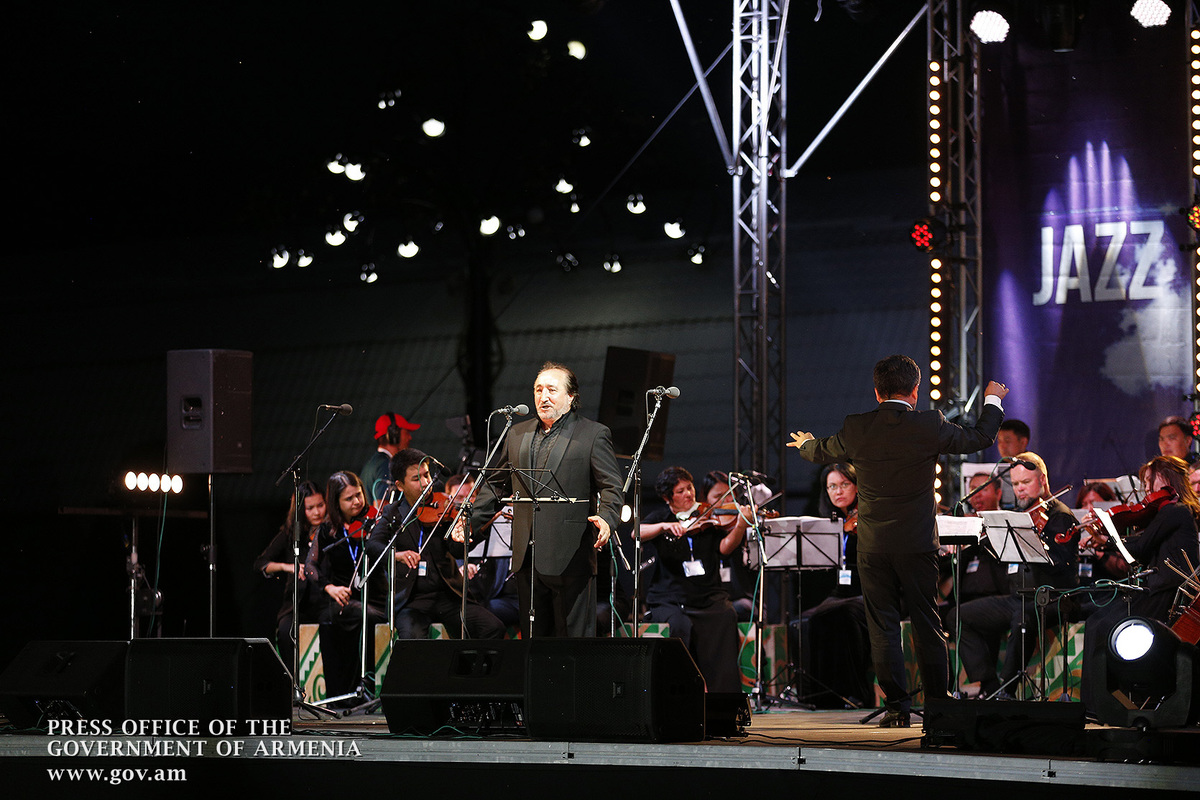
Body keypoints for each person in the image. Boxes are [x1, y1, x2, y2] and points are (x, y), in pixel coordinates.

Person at [787, 354, 1007, 727]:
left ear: (877, 392)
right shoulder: (929, 424)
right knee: (926, 623)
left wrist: (806, 444)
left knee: (882, 626)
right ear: (915, 390)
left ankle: (896, 708)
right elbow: (979, 437)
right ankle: (938, 706)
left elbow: (820, 450)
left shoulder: (856, 427)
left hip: (873, 546)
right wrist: (992, 399)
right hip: (917, 544)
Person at [468, 361, 623, 637]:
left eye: (552, 389)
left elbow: (612, 486)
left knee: (573, 643)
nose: (543, 396)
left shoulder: (593, 434)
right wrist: (470, 523)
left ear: (571, 397)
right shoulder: (517, 434)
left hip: (571, 555)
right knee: (534, 643)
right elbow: (495, 484)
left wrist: (607, 519)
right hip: (527, 558)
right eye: (538, 390)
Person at [954, 452, 1078, 699]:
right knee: (958, 616)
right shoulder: (1019, 516)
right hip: (1019, 597)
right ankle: (989, 684)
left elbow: (1062, 564)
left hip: (1051, 598)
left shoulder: (1060, 515)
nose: (1020, 489)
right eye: (1016, 484)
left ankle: (1007, 690)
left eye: (1026, 482)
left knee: (1024, 616)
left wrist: (1037, 544)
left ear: (1042, 480)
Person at [1082, 455, 1200, 712]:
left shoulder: (1175, 511)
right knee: (1094, 621)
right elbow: (1141, 547)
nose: (1146, 489)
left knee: (1101, 626)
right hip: (1154, 590)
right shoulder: (1168, 513)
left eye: (1149, 481)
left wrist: (1107, 539)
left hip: (1167, 595)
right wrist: (1108, 538)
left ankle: (1098, 704)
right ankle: (1098, 703)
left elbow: (1140, 547)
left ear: (1166, 478)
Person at [368, 451, 505, 640]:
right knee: (412, 639)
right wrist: (397, 555)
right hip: (411, 602)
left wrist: (481, 527)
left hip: (448, 596)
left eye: (426, 475)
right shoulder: (393, 513)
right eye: (416, 479)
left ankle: (469, 661)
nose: (426, 483)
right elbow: (372, 546)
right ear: (400, 485)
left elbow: (457, 550)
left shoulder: (443, 506)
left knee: (493, 627)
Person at [638, 466, 745, 692]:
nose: (688, 494)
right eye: (680, 491)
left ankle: (721, 696)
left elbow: (725, 548)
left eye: (690, 487)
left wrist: (741, 525)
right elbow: (636, 533)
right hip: (670, 598)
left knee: (726, 615)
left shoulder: (708, 516)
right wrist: (664, 527)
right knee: (679, 624)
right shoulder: (661, 518)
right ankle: (683, 691)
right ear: (668, 498)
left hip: (707, 595)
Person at [794, 463, 873, 708]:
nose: (838, 491)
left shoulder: (870, 515)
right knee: (805, 620)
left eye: (844, 484)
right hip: (841, 592)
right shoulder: (831, 523)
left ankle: (858, 693)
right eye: (832, 486)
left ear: (857, 486)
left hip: (869, 591)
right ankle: (820, 695)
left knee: (846, 614)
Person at [306, 471, 387, 701]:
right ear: (336, 503)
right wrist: (329, 588)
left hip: (376, 596)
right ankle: (343, 692)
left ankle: (367, 685)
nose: (357, 502)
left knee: (368, 615)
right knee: (337, 618)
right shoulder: (328, 530)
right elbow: (310, 565)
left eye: (358, 495)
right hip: (345, 598)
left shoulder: (374, 522)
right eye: (349, 499)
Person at [253, 480, 326, 675]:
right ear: (301, 510)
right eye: (310, 508)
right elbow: (261, 563)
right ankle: (291, 682)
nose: (317, 512)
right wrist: (288, 567)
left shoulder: (331, 531)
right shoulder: (291, 533)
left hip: (325, 601)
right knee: (286, 631)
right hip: (297, 604)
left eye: (320, 505)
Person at [361, 412, 421, 504]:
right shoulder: (385, 465)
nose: (410, 437)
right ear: (394, 435)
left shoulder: (372, 463)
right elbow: (382, 506)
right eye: (407, 432)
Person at [995, 419, 1030, 510]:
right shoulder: (996, 470)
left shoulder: (1033, 467)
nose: (1002, 446)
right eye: (999, 441)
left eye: (1007, 441)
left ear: (1023, 442)